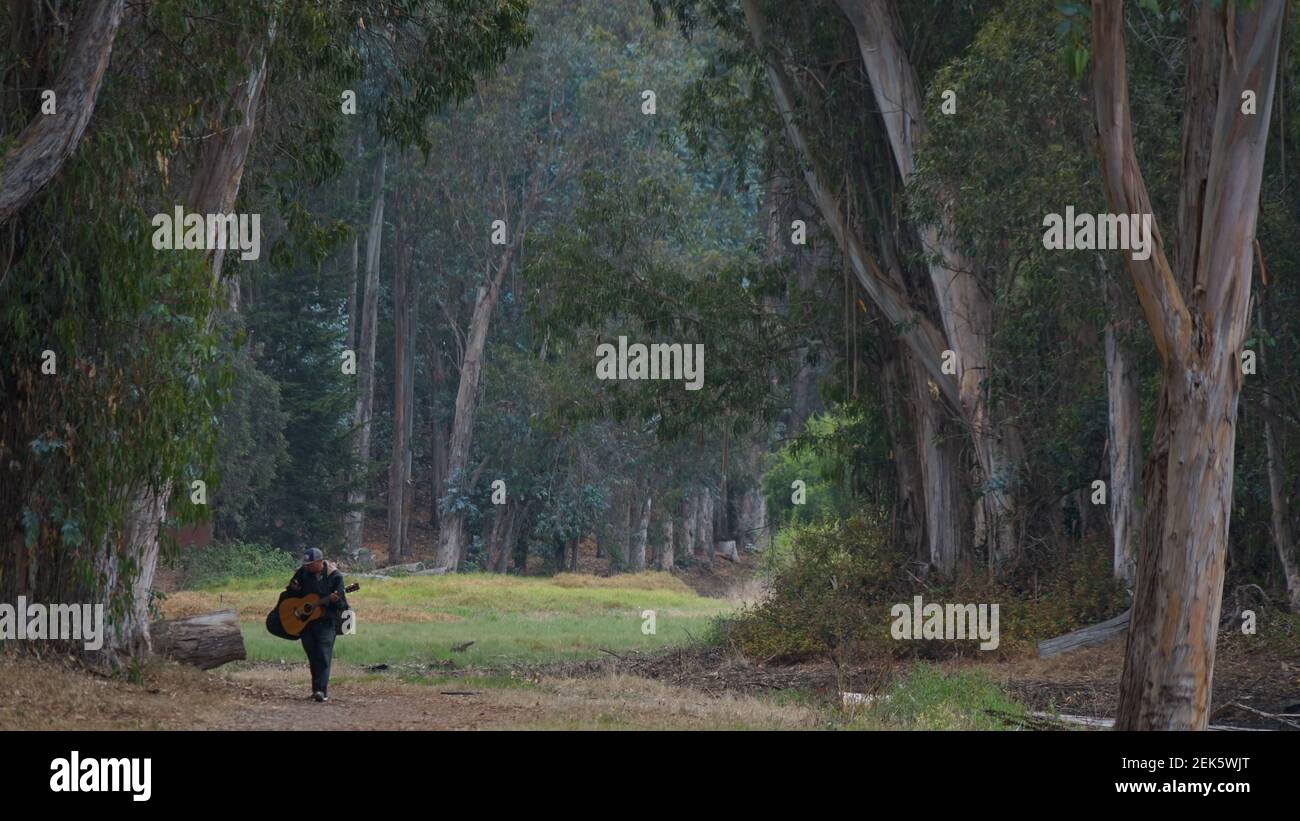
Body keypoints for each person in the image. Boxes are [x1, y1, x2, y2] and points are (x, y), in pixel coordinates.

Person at [286, 548, 349, 702]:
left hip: (327, 622)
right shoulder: (302, 573)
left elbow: (342, 604)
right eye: (306, 564)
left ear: (320, 562)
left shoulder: (334, 576)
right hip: (305, 622)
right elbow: (290, 594)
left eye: (311, 564)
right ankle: (316, 690)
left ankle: (322, 691)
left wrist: (335, 600)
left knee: (323, 655)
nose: (307, 567)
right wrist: (293, 589)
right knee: (313, 655)